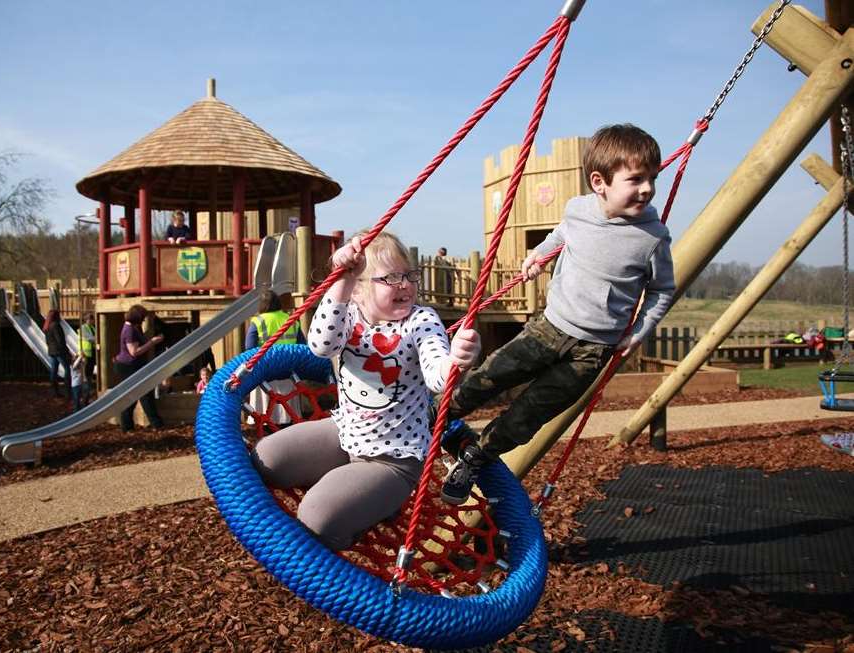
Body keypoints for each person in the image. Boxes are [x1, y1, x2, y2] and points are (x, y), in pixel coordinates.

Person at [439, 123, 676, 505]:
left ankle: (475, 457)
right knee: (491, 376)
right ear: (600, 182)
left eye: (652, 178)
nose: (647, 188)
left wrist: (641, 329)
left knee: (529, 414)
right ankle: (431, 418)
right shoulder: (578, 210)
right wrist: (537, 254)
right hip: (548, 328)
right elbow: (561, 233)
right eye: (635, 179)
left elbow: (662, 289)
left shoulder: (653, 237)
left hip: (592, 351)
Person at [251, 231, 481, 551]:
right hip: (345, 433)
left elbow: (437, 376)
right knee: (266, 459)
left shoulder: (421, 320)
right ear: (358, 289)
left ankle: (370, 508)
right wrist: (342, 282)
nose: (404, 284)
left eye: (408, 275)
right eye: (390, 278)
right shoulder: (349, 313)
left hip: (393, 461)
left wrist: (456, 360)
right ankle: (350, 488)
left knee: (315, 517)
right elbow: (320, 346)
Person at [245, 290, 306, 426]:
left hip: (265, 373)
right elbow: (303, 346)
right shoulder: (291, 319)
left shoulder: (258, 322)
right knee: (289, 414)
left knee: (266, 415)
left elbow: (249, 349)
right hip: (288, 371)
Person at [113, 304, 165, 432]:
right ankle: (154, 424)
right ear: (137, 318)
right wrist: (153, 341)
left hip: (132, 366)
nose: (143, 320)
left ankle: (131, 426)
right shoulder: (129, 331)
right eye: (142, 318)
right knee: (141, 395)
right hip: (129, 367)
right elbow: (134, 352)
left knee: (140, 395)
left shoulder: (132, 328)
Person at [43, 309, 71, 397]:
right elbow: (60, 340)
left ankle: (54, 391)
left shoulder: (46, 326)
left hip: (51, 351)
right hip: (59, 351)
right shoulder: (56, 325)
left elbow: (47, 341)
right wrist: (67, 351)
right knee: (67, 369)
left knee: (53, 371)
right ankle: (68, 390)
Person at [78, 312, 97, 399]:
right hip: (85, 353)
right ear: (87, 320)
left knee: (90, 371)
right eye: (91, 319)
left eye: (92, 319)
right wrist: (96, 338)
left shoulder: (92, 327)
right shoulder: (83, 328)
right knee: (86, 373)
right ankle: (85, 392)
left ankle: (89, 389)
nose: (92, 321)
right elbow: (90, 338)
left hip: (92, 352)